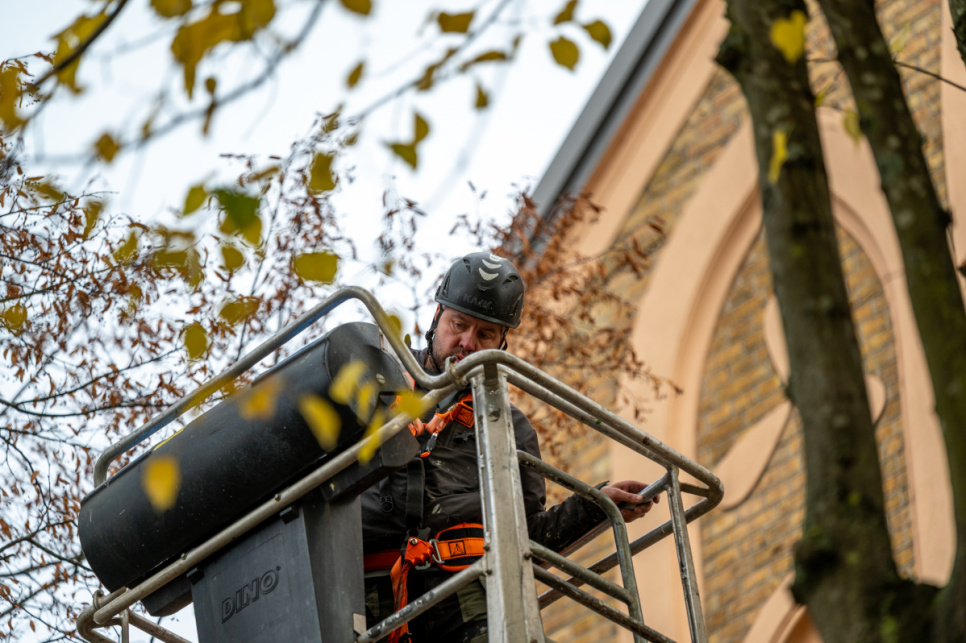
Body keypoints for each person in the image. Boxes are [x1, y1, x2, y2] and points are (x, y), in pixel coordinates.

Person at [361, 252, 658, 642]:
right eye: (459, 324)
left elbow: (528, 535)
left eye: (485, 334)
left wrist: (596, 506)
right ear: (437, 317)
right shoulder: (377, 382)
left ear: (502, 343)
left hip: (466, 594)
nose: (467, 343)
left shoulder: (508, 428)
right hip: (368, 590)